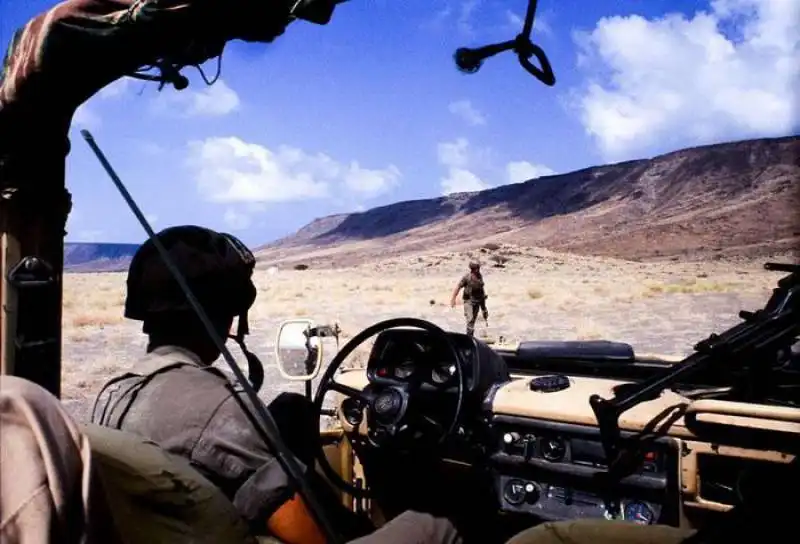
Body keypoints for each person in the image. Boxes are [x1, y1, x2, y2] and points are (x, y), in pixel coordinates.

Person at [88, 225, 461, 544]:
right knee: (436, 526)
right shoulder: (220, 407)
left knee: (290, 411)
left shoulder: (114, 395)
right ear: (224, 318)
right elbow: (310, 534)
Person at [450, 261, 489, 337]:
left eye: (478, 268)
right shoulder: (467, 277)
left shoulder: (479, 277)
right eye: (476, 268)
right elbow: (458, 287)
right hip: (468, 301)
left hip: (478, 301)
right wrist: (453, 299)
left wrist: (484, 308)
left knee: (473, 321)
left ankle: (470, 336)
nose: (478, 269)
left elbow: (481, 291)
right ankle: (469, 338)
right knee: (470, 319)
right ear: (472, 268)